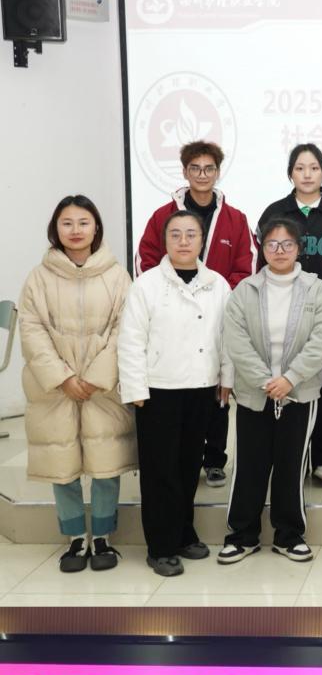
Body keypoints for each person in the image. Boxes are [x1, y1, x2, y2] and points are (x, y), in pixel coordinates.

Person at [18, 195, 134, 572]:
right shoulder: (39, 277)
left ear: (96, 226)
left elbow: (124, 329)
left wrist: (97, 376)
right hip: (55, 387)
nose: (76, 230)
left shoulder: (116, 275)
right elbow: (32, 330)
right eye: (67, 223)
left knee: (105, 461)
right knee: (61, 459)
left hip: (103, 385)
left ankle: (102, 536)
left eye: (83, 222)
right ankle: (74, 539)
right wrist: (63, 377)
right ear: (56, 228)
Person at [118, 210, 232, 576]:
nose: (184, 241)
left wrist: (226, 377)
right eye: (176, 235)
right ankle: (161, 546)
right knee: (160, 471)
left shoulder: (217, 284)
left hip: (201, 386)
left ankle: (184, 533)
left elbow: (227, 336)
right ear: (165, 241)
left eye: (191, 235)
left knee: (187, 466)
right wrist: (135, 388)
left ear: (202, 240)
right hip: (158, 390)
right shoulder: (146, 285)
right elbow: (130, 340)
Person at [135, 139, 253, 487]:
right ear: (185, 172)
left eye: (209, 168)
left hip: (217, 313)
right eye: (195, 168)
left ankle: (215, 458)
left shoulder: (236, 219)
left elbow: (246, 266)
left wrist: (221, 296)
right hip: (171, 314)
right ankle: (180, 457)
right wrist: (169, 293)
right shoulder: (162, 216)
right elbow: (146, 258)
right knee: (181, 388)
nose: (202, 175)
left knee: (216, 385)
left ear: (218, 172)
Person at [219, 216, 322, 565]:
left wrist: (290, 378)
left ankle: (290, 535)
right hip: (255, 393)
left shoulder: (316, 289)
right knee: (249, 465)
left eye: (287, 244)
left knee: (291, 465)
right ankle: (242, 536)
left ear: (299, 248)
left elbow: (321, 340)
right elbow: (236, 340)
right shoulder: (246, 290)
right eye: (272, 244)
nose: (280, 250)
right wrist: (266, 381)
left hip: (299, 393)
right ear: (262, 248)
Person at [256, 143, 322, 486]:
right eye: (300, 168)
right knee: (287, 387)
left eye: (314, 168)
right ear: (290, 174)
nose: (307, 174)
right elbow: (260, 266)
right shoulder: (274, 213)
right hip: (282, 315)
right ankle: (290, 461)